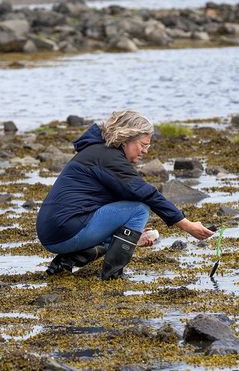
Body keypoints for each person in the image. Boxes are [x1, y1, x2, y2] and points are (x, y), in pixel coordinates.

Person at [36, 110, 214, 280]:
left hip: (53, 234)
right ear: (125, 138)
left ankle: (65, 262)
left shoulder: (98, 152)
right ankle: (113, 274)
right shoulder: (109, 158)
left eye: (148, 146)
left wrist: (131, 236)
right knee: (140, 209)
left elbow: (110, 204)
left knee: (130, 214)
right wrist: (187, 225)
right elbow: (147, 194)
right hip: (66, 230)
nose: (145, 151)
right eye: (143, 145)